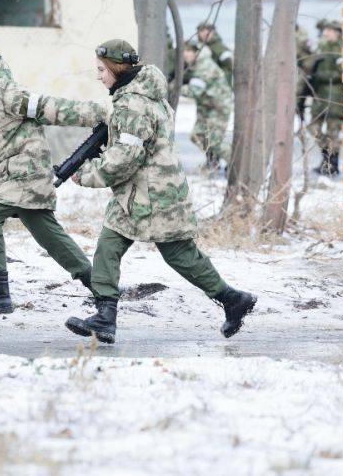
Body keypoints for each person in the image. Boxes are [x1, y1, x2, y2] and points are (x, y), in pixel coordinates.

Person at [46, 39, 257, 343]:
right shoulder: (148, 96)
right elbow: (135, 146)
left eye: (101, 70)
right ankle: (107, 317)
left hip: (148, 196)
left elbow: (125, 158)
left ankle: (231, 300)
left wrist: (89, 174)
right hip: (156, 191)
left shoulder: (133, 103)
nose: (98, 75)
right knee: (129, 247)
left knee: (170, 254)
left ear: (117, 69)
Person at [0, 40, 104, 315]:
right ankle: (102, 289)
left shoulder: (2, 91)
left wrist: (101, 115)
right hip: (7, 177)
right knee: (50, 236)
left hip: (25, 172)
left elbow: (49, 108)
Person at [181, 41, 232, 169]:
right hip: (207, 107)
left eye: (188, 51)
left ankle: (234, 160)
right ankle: (213, 161)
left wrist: (174, 89)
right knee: (198, 136)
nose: (185, 55)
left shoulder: (204, 66)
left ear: (196, 52)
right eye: (183, 52)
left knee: (212, 139)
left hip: (217, 108)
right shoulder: (197, 65)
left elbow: (195, 91)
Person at [307, 21, 343, 176]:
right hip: (320, 97)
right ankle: (326, 158)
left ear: (336, 32)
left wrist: (321, 76)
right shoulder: (321, 47)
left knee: (333, 132)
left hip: (335, 98)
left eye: (328, 31)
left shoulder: (342, 48)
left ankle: (331, 164)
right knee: (313, 128)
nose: (325, 33)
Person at [196, 22, 234, 86]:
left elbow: (231, 65)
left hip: (219, 85)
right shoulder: (196, 48)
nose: (206, 33)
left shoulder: (219, 48)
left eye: (209, 30)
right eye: (202, 31)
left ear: (214, 32)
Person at [295, 24, 318, 118]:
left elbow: (309, 47)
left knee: (299, 92)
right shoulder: (300, 36)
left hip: (305, 68)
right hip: (303, 67)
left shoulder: (301, 37)